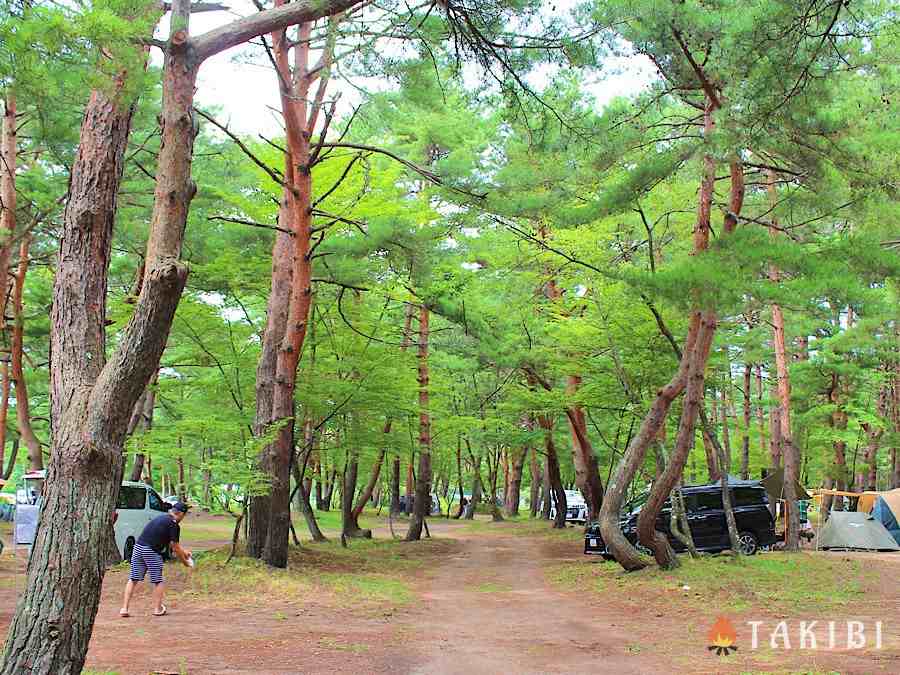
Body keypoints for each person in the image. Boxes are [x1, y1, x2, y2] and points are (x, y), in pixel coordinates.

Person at [120, 501, 192, 617]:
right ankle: (158, 609)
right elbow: (174, 547)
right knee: (158, 581)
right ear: (181, 514)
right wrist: (185, 562)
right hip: (151, 551)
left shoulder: (161, 518)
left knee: (133, 578)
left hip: (138, 548)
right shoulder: (174, 525)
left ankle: (124, 608)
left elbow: (171, 544)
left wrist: (184, 553)